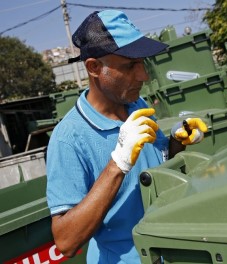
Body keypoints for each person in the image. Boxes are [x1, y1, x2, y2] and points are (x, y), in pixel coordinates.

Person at [46, 10, 207, 263]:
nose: (143, 75)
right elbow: (65, 242)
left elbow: (154, 171)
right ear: (94, 67)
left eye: (142, 63)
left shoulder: (135, 104)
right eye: (130, 65)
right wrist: (118, 163)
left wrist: (177, 142)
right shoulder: (68, 138)